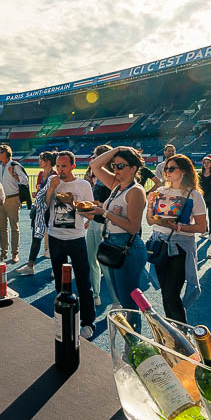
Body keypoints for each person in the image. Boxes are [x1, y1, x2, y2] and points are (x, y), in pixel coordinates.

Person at [86, 146, 149, 330]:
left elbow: (133, 227)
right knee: (123, 299)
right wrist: (117, 150)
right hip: (113, 244)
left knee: (129, 303)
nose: (116, 170)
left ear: (134, 168)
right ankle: (132, 343)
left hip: (127, 247)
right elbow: (95, 165)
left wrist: (104, 212)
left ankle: (135, 344)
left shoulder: (135, 191)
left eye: (121, 166)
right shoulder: (116, 186)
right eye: (114, 166)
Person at [145, 155, 207, 324]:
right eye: (166, 168)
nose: (167, 172)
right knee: (165, 293)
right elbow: (151, 221)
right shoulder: (161, 192)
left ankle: (181, 335)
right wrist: (150, 205)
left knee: (172, 294)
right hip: (159, 243)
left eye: (172, 168)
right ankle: (173, 333)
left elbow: (202, 227)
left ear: (184, 171)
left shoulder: (194, 195)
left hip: (180, 247)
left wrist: (177, 227)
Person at [44, 151, 96, 338]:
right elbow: (45, 204)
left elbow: (90, 214)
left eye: (64, 166)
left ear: (73, 166)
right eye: (58, 166)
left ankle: (88, 322)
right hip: (56, 237)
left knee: (83, 281)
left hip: (76, 238)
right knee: (60, 281)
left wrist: (72, 203)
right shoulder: (53, 181)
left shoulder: (83, 185)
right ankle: (63, 314)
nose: (60, 170)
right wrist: (51, 189)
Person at [18, 151, 56, 275]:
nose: (39, 161)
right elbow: (40, 191)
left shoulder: (54, 175)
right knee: (36, 237)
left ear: (48, 161)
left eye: (41, 159)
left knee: (54, 239)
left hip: (51, 211)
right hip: (40, 211)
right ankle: (30, 266)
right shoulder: (40, 174)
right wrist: (36, 194)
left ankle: (55, 269)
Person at [84, 145, 113, 304]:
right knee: (91, 261)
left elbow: (115, 206)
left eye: (96, 155)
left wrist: (98, 206)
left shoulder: (113, 178)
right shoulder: (95, 177)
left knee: (105, 265)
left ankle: (116, 299)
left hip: (107, 225)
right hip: (95, 222)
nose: (93, 158)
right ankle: (96, 295)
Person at [0, 144, 28, 264]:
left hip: (13, 199)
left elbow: (25, 180)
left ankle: (15, 254)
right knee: (2, 228)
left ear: (5, 153)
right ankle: (3, 252)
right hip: (1, 200)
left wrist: (14, 174)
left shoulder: (14, 166)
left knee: (14, 227)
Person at [198, 157, 211, 239]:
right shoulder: (200, 174)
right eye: (205, 163)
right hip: (202, 198)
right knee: (202, 216)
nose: (206, 164)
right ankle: (205, 230)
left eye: (208, 162)